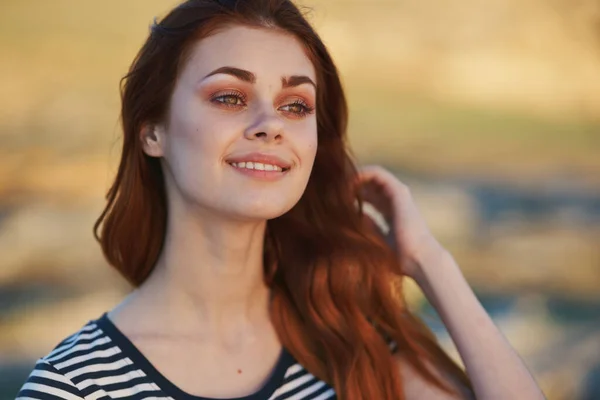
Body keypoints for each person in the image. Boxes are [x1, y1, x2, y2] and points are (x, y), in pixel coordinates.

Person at [16, 0, 545, 399]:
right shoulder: (75, 384)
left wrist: (429, 262)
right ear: (152, 131)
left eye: (296, 105)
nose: (271, 125)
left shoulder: (349, 339)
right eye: (229, 97)